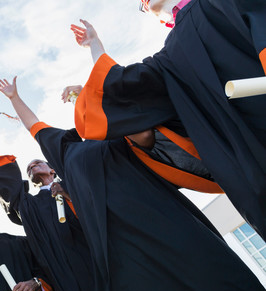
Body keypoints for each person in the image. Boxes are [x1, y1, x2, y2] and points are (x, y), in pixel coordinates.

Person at [0, 76, 266, 291]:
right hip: (119, 242)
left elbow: (145, 132)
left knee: (214, 283)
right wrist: (15, 98)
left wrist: (89, 92)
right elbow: (34, 126)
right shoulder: (65, 149)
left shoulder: (120, 138)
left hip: (163, 219)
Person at [69, 0, 266, 239]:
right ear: (160, 19)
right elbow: (120, 89)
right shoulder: (168, 60)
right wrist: (95, 45)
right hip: (252, 165)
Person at [0, 111, 93, 291]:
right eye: (28, 167)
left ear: (53, 168)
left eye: (38, 162)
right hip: (66, 278)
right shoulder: (29, 205)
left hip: (97, 259)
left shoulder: (75, 184)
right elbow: (4, 184)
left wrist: (68, 194)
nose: (32, 165)